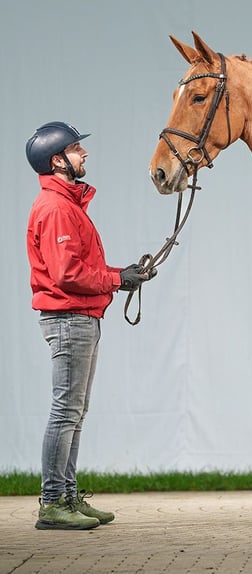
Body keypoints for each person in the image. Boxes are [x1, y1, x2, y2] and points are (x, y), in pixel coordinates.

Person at [25, 121, 154, 530]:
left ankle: (66, 496)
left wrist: (122, 273)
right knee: (66, 411)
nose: (84, 155)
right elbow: (66, 275)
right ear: (57, 160)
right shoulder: (57, 208)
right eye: (76, 149)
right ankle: (52, 504)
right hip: (69, 318)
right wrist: (117, 280)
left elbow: (81, 269)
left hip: (80, 317)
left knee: (74, 413)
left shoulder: (67, 205)